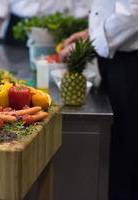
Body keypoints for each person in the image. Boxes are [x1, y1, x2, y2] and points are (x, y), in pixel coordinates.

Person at [60, 0, 138, 199]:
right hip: (119, 58)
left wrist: (91, 40)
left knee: (127, 145)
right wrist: (89, 33)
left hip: (130, 64)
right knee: (122, 141)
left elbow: (132, 15)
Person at [0, 0, 90, 48]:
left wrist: (83, 32)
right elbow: (1, 2)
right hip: (19, 26)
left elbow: (81, 6)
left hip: (54, 27)